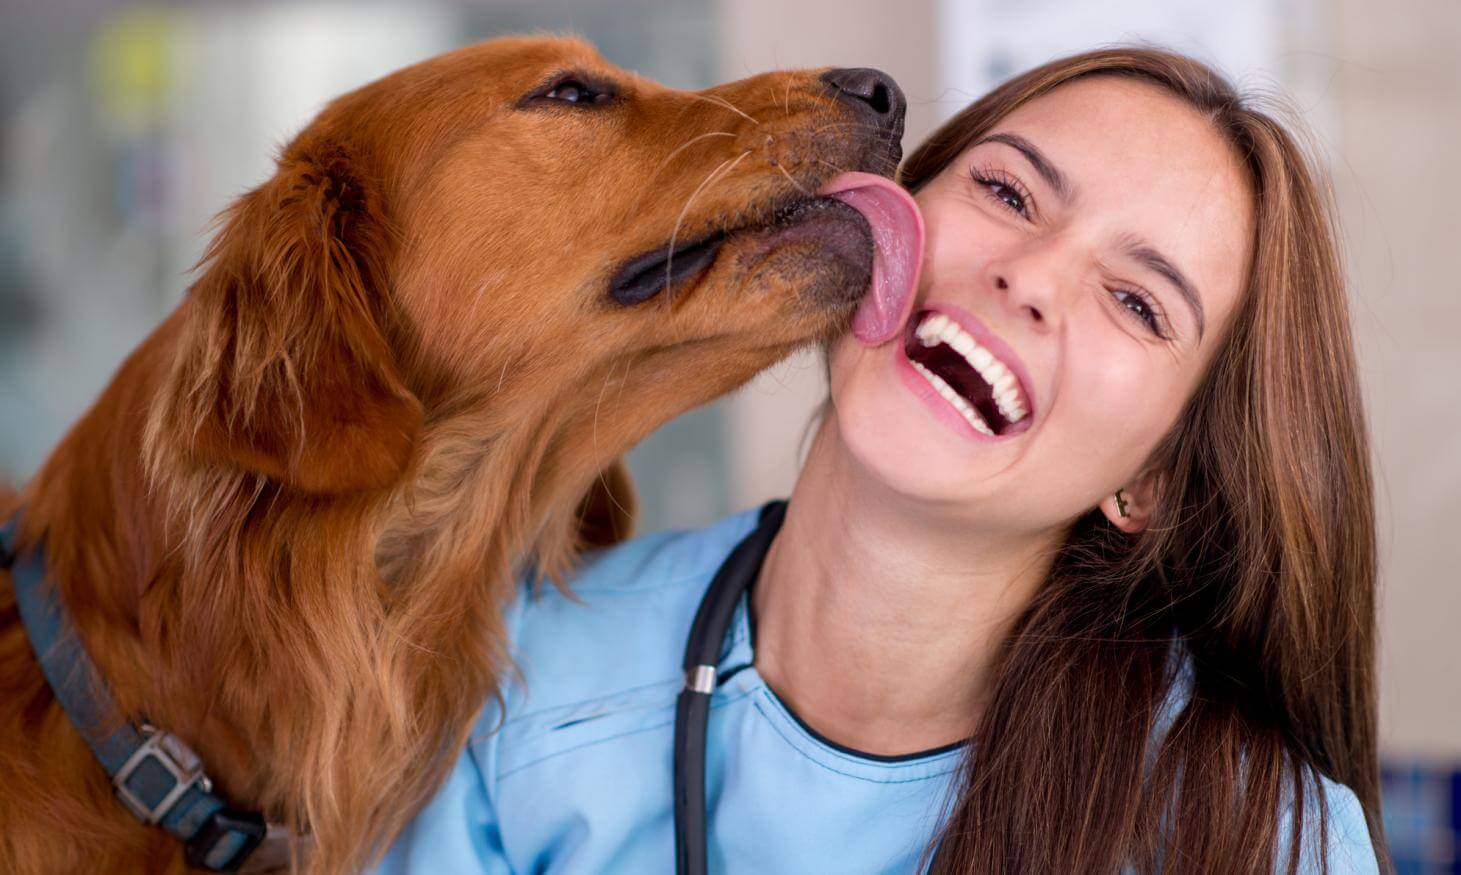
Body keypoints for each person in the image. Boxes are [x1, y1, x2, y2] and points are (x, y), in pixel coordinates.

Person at [377, 47, 1383, 873]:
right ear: (883, 222)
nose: (1028, 275)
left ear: (1158, 481)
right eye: (1006, 190)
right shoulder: (512, 680)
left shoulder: (1264, 841)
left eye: (1137, 301)